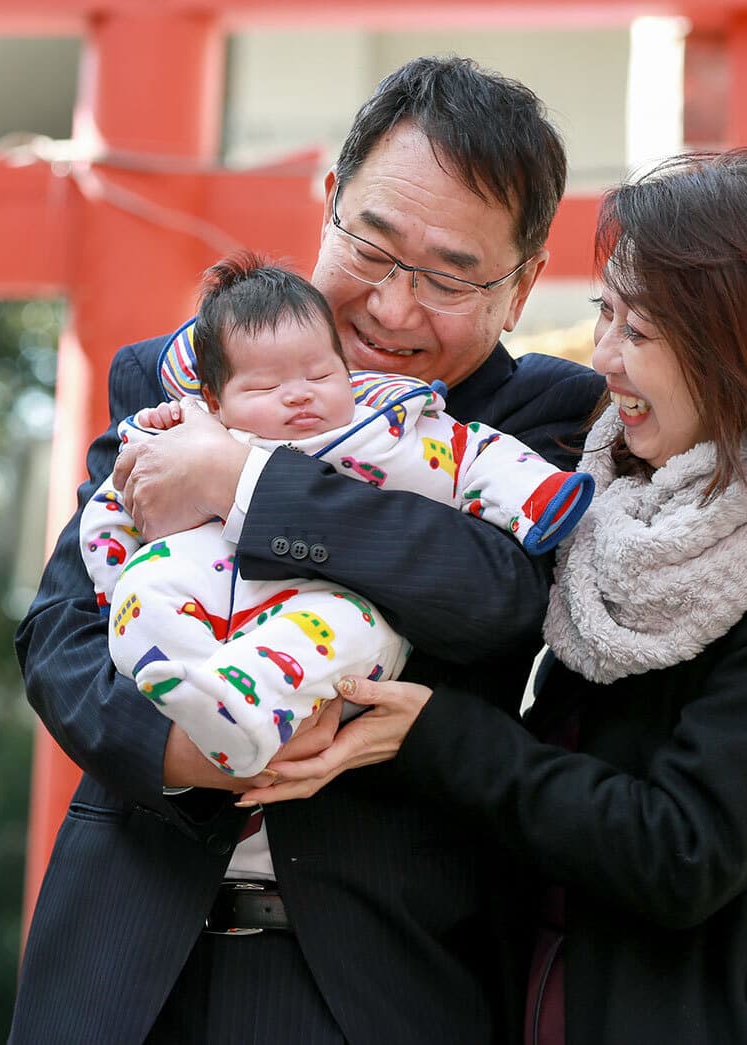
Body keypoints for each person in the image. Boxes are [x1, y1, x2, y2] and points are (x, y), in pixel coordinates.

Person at [245, 148, 747, 1044]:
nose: (602, 358)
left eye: (638, 333)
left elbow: (680, 850)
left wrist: (440, 735)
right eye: (606, 314)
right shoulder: (609, 525)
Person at [10, 56, 607, 1044]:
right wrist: (205, 749)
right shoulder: (179, 375)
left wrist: (238, 482)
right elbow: (63, 636)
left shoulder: (534, 420)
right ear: (327, 203)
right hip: (121, 968)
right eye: (371, 248)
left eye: (450, 275)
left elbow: (489, 594)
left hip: (379, 983)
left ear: (521, 286)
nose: (393, 306)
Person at [85, 253, 594, 779]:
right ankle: (197, 697)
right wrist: (114, 573)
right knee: (145, 590)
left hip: (325, 602)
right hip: (203, 581)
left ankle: (244, 708)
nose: (300, 393)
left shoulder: (384, 430)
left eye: (320, 373)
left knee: (348, 627)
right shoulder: (182, 422)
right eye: (264, 388)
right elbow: (113, 509)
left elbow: (477, 457)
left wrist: (538, 495)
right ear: (214, 399)